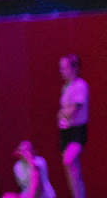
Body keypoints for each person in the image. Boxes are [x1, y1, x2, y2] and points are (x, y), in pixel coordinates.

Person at [57, 54, 88, 198]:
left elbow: (73, 109)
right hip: (66, 131)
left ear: (74, 68)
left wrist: (64, 112)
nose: (62, 71)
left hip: (77, 130)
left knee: (69, 159)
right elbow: (65, 110)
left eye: (64, 68)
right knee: (72, 172)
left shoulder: (80, 85)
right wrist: (63, 112)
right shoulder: (66, 87)